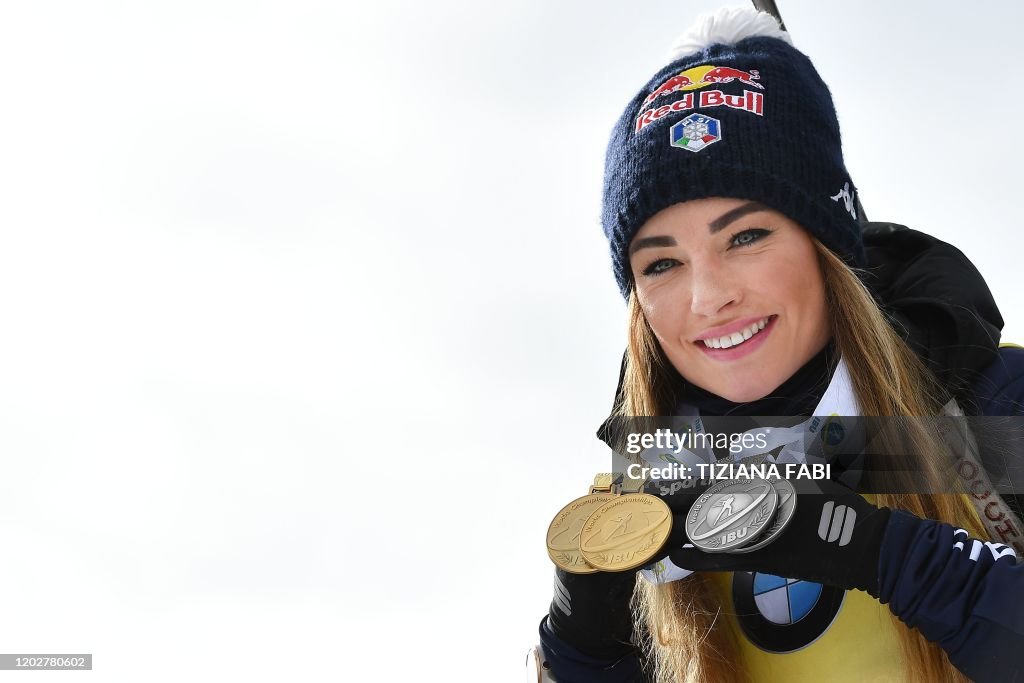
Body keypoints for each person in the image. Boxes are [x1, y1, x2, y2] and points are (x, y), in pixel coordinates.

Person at [530, 7, 1024, 683]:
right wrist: (581, 653)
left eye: (746, 237)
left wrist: (888, 556)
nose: (708, 298)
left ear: (827, 246)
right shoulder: (638, 517)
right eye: (661, 264)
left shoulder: (997, 414)